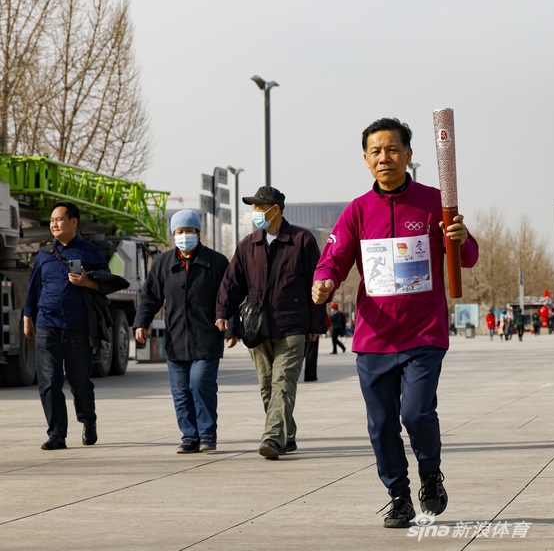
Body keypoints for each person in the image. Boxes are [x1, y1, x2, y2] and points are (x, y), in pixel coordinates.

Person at [311, 117, 479, 528]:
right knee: (382, 425)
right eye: (375, 151)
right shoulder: (357, 211)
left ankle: (429, 476)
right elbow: (333, 258)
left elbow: (469, 256)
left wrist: (460, 237)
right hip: (374, 338)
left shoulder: (433, 202)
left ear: (408, 154)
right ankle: (398, 496)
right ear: (366, 159)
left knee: (416, 414)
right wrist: (323, 281)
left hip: (424, 334)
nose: (383, 158)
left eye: (391, 149)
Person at [216, 186, 327, 460]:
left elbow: (318, 284)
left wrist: (315, 325)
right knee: (267, 386)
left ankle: (272, 438)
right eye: (253, 208)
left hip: (293, 327)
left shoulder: (302, 240)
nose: (255, 213)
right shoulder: (247, 244)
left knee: (283, 383)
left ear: (275, 209)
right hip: (257, 329)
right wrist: (225, 317)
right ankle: (286, 434)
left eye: (258, 207)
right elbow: (232, 284)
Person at [133, 210, 231, 453]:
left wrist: (229, 327)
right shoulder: (163, 263)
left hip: (207, 337)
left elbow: (229, 297)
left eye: (189, 231)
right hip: (176, 338)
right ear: (173, 234)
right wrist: (141, 323)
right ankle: (189, 436)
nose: (185, 235)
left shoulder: (217, 262)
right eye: (179, 232)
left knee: (200, 383)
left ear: (198, 233)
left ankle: (207, 434)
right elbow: (150, 296)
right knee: (180, 390)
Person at [23, 202, 110, 451]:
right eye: (51, 220)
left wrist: (87, 282)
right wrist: (28, 318)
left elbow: (107, 283)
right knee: (49, 381)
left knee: (80, 381)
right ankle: (57, 434)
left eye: (59, 219)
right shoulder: (44, 254)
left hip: (77, 326)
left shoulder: (90, 252)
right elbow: (33, 289)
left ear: (74, 222)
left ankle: (88, 421)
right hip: (47, 325)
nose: (54, 224)